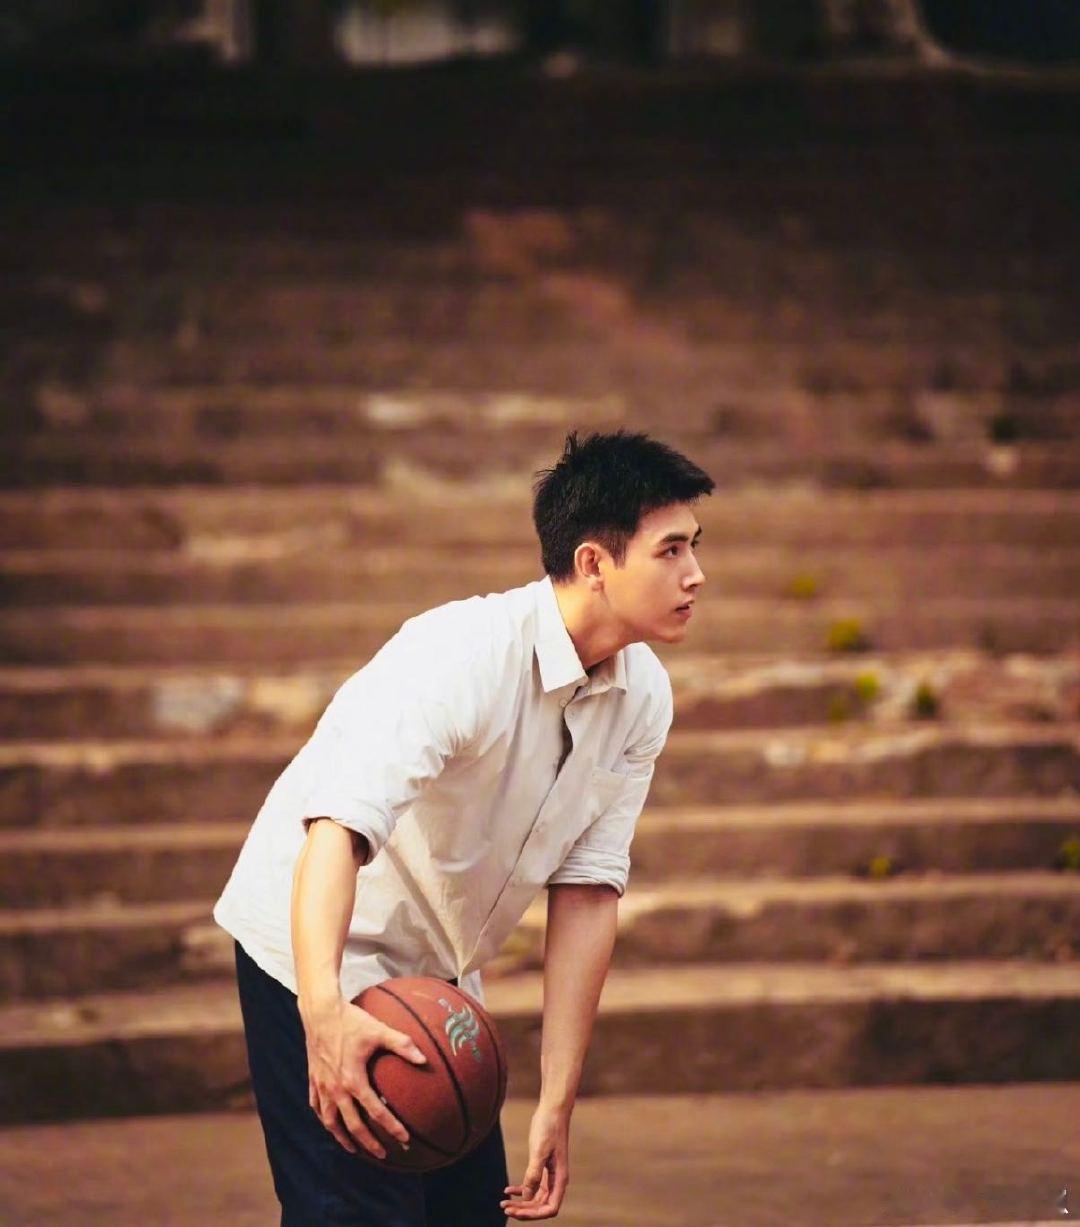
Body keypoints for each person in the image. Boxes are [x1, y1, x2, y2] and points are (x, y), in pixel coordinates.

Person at [213, 428, 713, 1225]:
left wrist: (556, 1101)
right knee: (353, 1216)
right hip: (315, 944)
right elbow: (335, 830)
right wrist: (324, 1016)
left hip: (435, 972)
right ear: (594, 562)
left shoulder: (643, 695)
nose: (695, 573)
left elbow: (588, 892)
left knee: (467, 1214)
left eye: (694, 546)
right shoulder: (459, 656)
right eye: (671, 550)